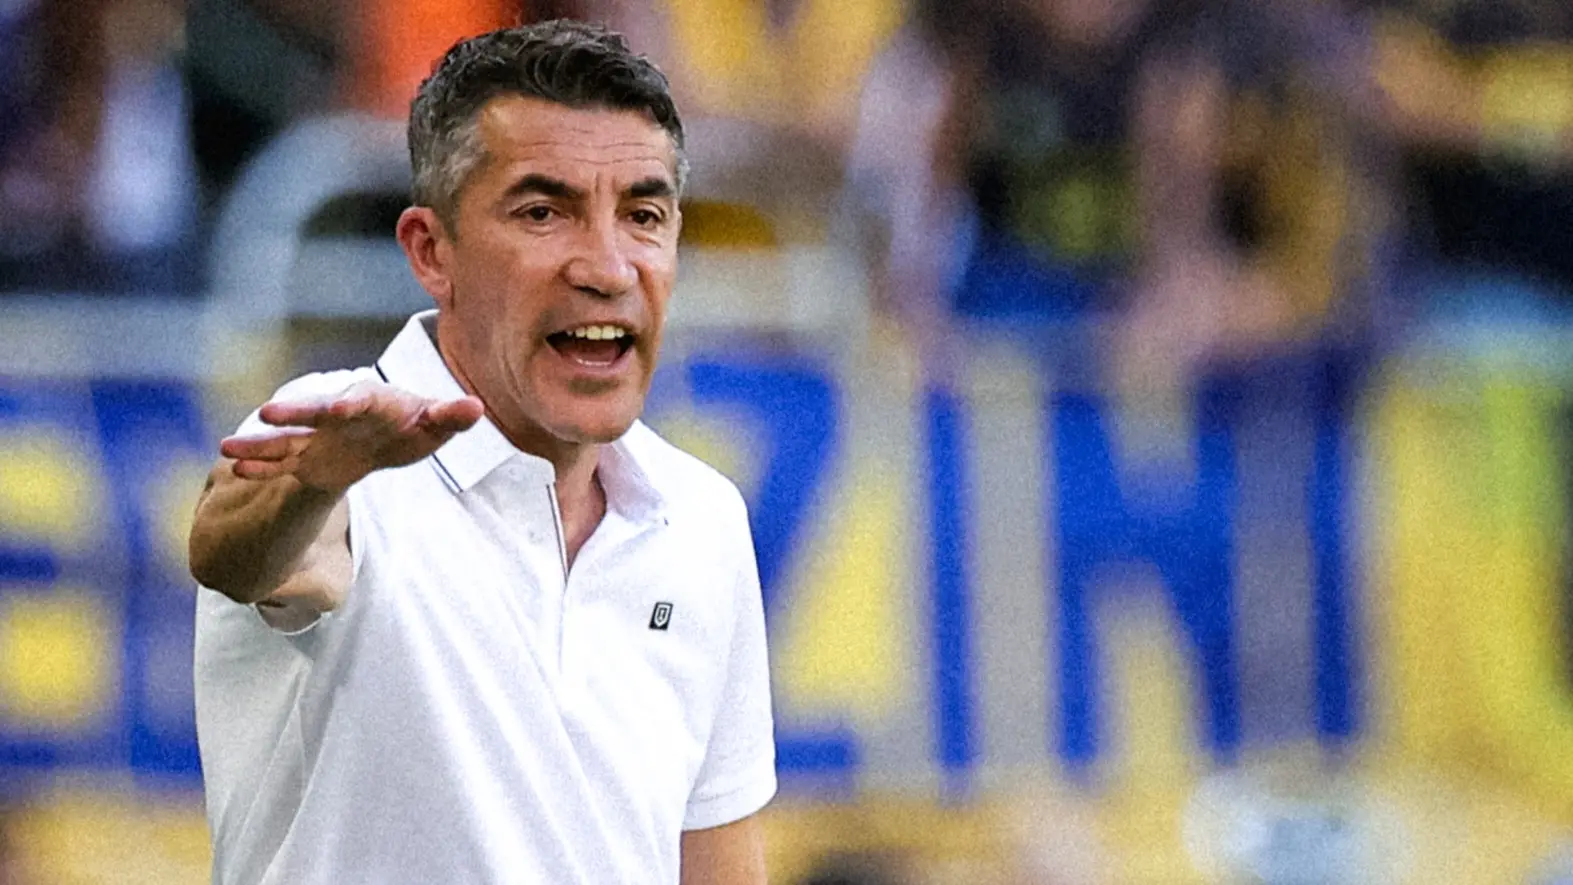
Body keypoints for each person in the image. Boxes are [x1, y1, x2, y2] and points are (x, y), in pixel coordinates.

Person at [187, 20, 775, 884]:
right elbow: (230, 550)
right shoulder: (339, 438)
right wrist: (314, 478)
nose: (608, 267)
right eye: (543, 213)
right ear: (432, 252)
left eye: (643, 216)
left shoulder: (703, 519)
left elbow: (719, 865)